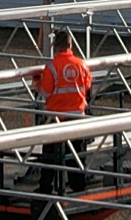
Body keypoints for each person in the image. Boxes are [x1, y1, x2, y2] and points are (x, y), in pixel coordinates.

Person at [33, 29, 93, 193]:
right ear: (70, 45)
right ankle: (78, 188)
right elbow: (87, 86)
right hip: (77, 116)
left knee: (50, 156)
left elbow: (45, 92)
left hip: (56, 117)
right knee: (76, 155)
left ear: (55, 47)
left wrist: (38, 83)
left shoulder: (52, 67)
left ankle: (46, 187)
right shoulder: (82, 65)